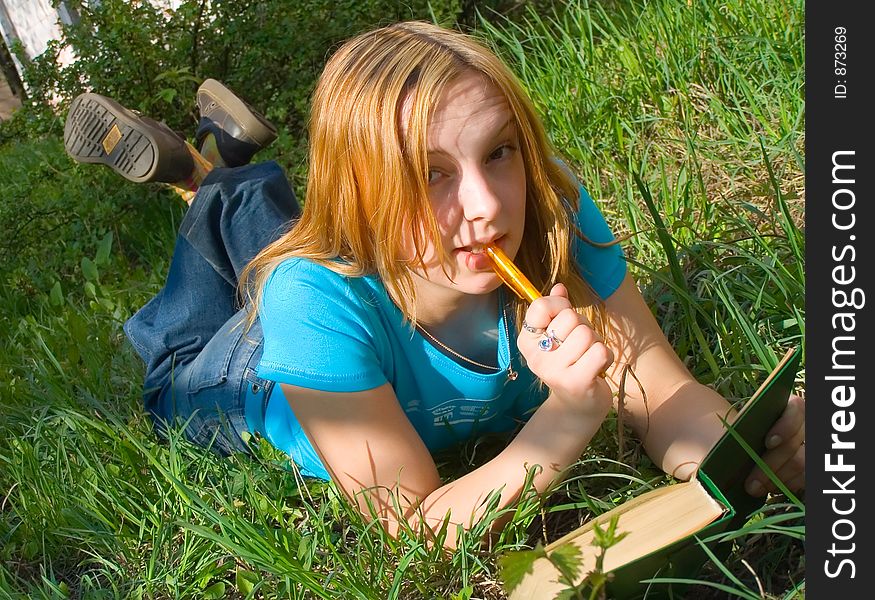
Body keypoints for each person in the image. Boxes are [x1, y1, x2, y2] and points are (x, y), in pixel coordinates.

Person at [64, 21, 805, 547]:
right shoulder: (310, 299)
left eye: (500, 152)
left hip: (370, 260)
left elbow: (663, 393)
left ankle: (224, 167)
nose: (487, 206)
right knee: (202, 331)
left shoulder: (550, 208)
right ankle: (206, 182)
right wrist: (564, 421)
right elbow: (413, 527)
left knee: (315, 243)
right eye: (429, 173)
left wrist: (747, 450)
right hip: (242, 379)